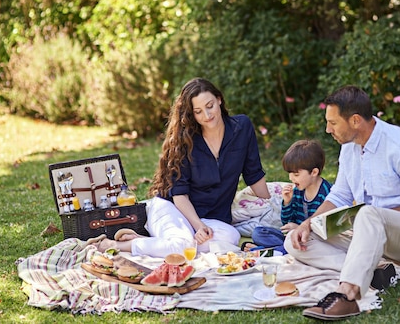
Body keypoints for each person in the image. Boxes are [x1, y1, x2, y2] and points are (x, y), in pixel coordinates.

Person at [284, 85, 400, 321]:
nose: (327, 129)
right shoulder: (348, 148)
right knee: (296, 240)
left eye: (333, 123)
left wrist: (379, 215)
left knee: (368, 214)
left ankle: (348, 295)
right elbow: (339, 195)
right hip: (369, 230)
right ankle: (376, 269)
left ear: (355, 120)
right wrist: (309, 222)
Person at [95, 78, 271, 257]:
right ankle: (115, 245)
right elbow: (179, 194)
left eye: (210, 105)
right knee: (183, 246)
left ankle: (154, 242)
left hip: (210, 217)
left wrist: (273, 205)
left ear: (219, 99)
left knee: (231, 237)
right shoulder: (185, 140)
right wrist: (198, 226)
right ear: (192, 114)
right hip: (173, 208)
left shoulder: (242, 128)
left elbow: (253, 173)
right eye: (198, 111)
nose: (207, 115)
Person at [244, 139, 332, 255]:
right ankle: (278, 249)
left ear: (314, 172)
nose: (291, 178)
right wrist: (287, 202)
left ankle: (263, 252)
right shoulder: (298, 190)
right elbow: (286, 222)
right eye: (289, 174)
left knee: (297, 245)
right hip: (292, 236)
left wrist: (298, 228)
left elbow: (325, 230)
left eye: (296, 174)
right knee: (258, 232)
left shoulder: (327, 193)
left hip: (313, 240)